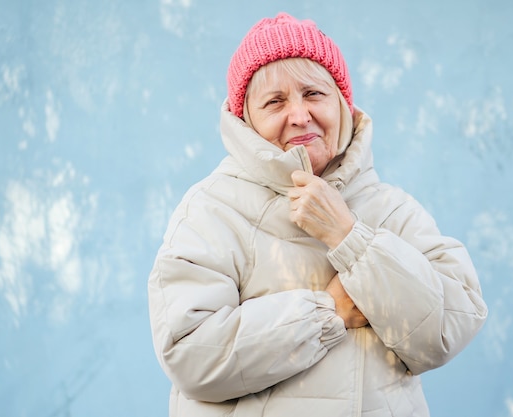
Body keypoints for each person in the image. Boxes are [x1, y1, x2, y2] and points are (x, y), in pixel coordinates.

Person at [148, 12, 488, 417]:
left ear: (342, 103)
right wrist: (326, 314)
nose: (299, 115)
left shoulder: (392, 209)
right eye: (275, 101)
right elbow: (190, 353)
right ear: (245, 120)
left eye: (313, 94)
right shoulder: (211, 210)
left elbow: (450, 327)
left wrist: (351, 239)